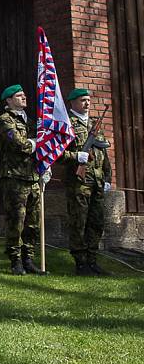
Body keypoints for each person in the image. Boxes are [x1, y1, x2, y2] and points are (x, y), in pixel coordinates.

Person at [0, 84, 46, 276]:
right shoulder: (4, 120)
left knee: (33, 222)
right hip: (14, 176)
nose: (24, 97)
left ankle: (28, 258)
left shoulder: (30, 121)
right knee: (17, 219)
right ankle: (15, 260)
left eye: (24, 94)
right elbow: (20, 144)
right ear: (8, 100)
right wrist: (37, 142)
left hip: (32, 176)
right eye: (19, 95)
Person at [60, 88, 112, 275]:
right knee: (79, 222)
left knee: (96, 222)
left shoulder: (93, 123)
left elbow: (103, 154)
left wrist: (107, 178)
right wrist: (76, 156)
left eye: (88, 100)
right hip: (79, 183)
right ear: (72, 103)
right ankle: (80, 262)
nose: (87, 103)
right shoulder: (67, 125)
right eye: (83, 100)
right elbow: (57, 154)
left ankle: (92, 260)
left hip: (97, 181)